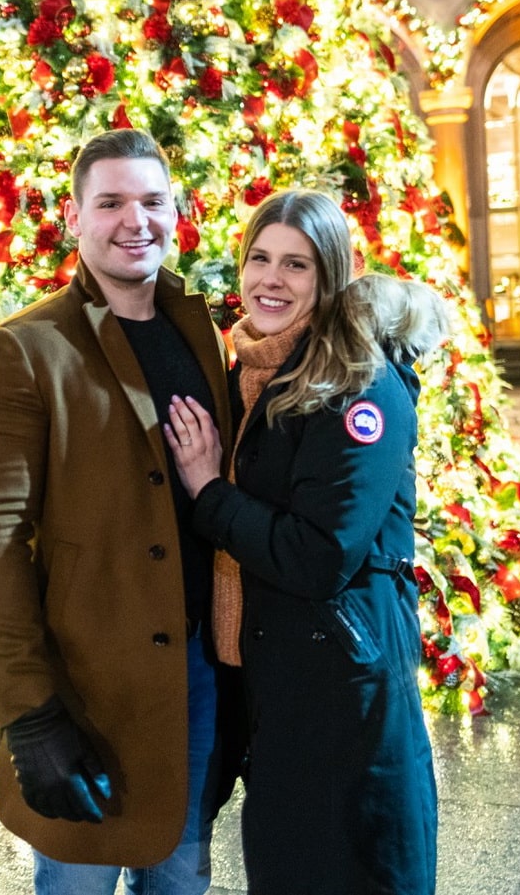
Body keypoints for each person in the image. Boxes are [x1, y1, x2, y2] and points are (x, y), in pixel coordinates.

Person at [0, 129, 237, 895]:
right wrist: (27, 713)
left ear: (175, 212)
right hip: (88, 685)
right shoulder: (22, 348)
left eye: (151, 200)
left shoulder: (196, 327)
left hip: (196, 676)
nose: (133, 220)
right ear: (75, 218)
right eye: (110, 201)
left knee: (182, 878)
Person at [163, 190, 447, 895]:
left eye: (296, 264)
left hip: (341, 686)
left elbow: (320, 553)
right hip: (281, 678)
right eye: (259, 258)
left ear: (332, 276)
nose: (271, 279)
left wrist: (208, 490)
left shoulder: (358, 386)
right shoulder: (252, 374)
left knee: (349, 867)